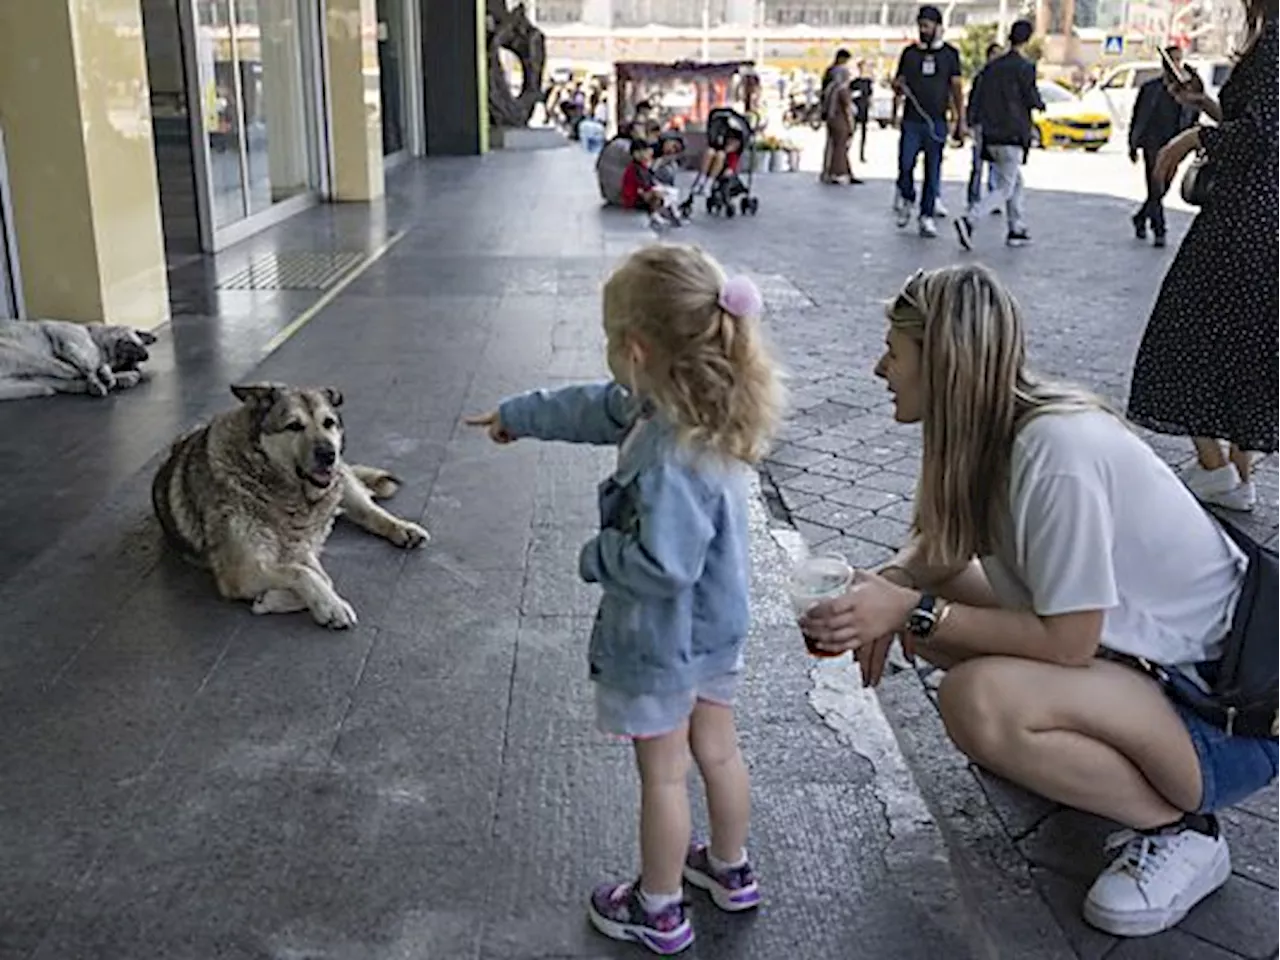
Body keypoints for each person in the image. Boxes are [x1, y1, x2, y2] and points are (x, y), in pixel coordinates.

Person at [801, 263, 1280, 940]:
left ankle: (1182, 831)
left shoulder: (1055, 452)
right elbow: (938, 552)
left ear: (940, 364)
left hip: (1221, 717)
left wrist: (908, 612)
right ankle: (1074, 759)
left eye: (894, 352)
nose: (880, 368)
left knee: (978, 699)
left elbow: (1069, 643)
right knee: (931, 603)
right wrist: (888, 586)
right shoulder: (999, 429)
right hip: (1143, 669)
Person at [466, 244, 783, 956]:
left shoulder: (670, 455)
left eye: (609, 341)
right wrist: (519, 414)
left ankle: (659, 905)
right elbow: (594, 408)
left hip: (662, 640)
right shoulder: (696, 407)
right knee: (719, 752)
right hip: (715, 631)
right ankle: (731, 870)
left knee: (664, 773)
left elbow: (661, 566)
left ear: (637, 349)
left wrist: (594, 556)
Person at [1129, 0, 1280, 513]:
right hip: (1259, 217)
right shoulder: (1269, 36)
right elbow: (1256, 124)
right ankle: (1235, 475)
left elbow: (1262, 137)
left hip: (1247, 220)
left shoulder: (1276, 39)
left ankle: (1219, 469)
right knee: (1247, 340)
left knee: (1185, 329)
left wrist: (1188, 139)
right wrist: (1203, 103)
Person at [954, 20, 1044, 250]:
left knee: (1015, 182)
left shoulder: (991, 67)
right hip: (1011, 134)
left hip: (990, 133)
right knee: (1004, 187)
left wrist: (973, 124)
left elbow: (978, 96)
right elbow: (1031, 97)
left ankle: (1016, 228)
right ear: (1027, 39)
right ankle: (970, 219)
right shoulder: (1024, 67)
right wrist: (1039, 105)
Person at [893, 5, 965, 237]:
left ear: (938, 27)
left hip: (937, 121)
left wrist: (960, 120)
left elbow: (956, 88)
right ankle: (907, 196)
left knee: (933, 170)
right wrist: (897, 94)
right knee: (905, 164)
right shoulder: (909, 54)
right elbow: (899, 82)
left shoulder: (950, 55)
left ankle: (926, 215)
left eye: (927, 25)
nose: (923, 30)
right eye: (920, 25)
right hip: (912, 120)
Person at [1128, 47, 1200, 248]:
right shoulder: (1151, 89)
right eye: (1172, 60)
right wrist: (1132, 144)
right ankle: (1159, 229)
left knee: (1163, 188)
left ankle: (1141, 217)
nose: (1176, 64)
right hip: (1152, 143)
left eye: (1179, 60)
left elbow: (1194, 117)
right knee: (1155, 184)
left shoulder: (1187, 90)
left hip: (1176, 143)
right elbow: (1138, 117)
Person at [965, 43, 1003, 210]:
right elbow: (974, 100)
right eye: (994, 54)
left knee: (995, 163)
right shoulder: (982, 76)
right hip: (981, 123)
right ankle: (974, 197)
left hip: (996, 124)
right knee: (978, 163)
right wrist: (970, 122)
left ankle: (992, 197)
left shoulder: (1003, 78)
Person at [620, 139, 682, 230]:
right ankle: (657, 214)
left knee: (668, 192)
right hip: (634, 198)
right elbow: (642, 185)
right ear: (636, 154)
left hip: (640, 193)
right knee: (658, 194)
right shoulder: (635, 168)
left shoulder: (641, 166)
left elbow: (649, 181)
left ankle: (670, 213)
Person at [821, 49, 860, 184]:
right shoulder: (840, 86)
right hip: (839, 118)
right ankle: (837, 172)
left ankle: (833, 171)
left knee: (834, 145)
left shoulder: (830, 83)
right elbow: (847, 106)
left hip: (831, 116)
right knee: (839, 146)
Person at [852, 60, 875, 164]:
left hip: (864, 108)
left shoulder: (868, 82)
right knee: (852, 132)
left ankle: (862, 154)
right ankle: (848, 151)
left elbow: (870, 96)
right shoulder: (855, 82)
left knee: (863, 134)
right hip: (856, 108)